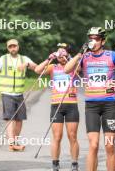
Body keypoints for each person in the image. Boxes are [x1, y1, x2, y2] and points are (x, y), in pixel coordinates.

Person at [64, 27, 115, 171]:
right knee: (93, 145)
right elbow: (67, 69)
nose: (93, 41)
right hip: (92, 106)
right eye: (91, 38)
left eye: (96, 39)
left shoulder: (112, 55)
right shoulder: (85, 57)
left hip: (109, 105)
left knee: (109, 145)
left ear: (103, 41)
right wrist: (79, 53)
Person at [35, 43, 80, 171]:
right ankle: (55, 164)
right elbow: (38, 70)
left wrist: (69, 59)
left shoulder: (73, 66)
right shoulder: (53, 67)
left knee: (72, 136)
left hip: (71, 104)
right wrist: (49, 58)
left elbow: (80, 68)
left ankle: (74, 164)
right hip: (56, 105)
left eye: (63, 53)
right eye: (59, 53)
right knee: (57, 136)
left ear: (68, 54)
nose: (61, 56)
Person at [0, 39, 37, 151]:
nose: (12, 48)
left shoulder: (24, 59)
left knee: (19, 119)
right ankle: (12, 144)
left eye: (14, 46)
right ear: (7, 48)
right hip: (7, 93)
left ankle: (14, 141)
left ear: (18, 47)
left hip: (19, 94)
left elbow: (37, 68)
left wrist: (28, 64)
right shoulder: (3, 59)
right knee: (10, 119)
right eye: (10, 47)